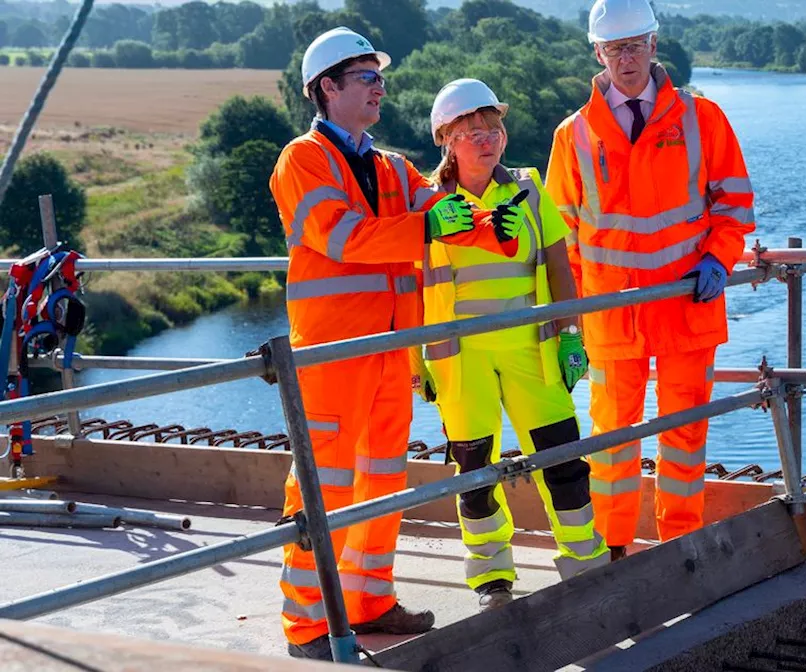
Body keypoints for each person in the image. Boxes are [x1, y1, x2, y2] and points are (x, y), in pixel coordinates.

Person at [268, 27, 516, 660]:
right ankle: (307, 623)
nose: (380, 87)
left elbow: (442, 215)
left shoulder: (392, 167)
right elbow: (339, 236)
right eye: (366, 77)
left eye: (379, 77)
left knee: (381, 481)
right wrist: (431, 223)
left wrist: (495, 227)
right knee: (325, 486)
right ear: (327, 88)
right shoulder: (302, 160)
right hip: (330, 352)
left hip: (389, 349)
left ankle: (370, 603)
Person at [544, 0, 756, 560]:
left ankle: (679, 544)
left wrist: (718, 258)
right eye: (615, 48)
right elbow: (559, 239)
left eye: (635, 44)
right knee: (612, 439)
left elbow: (733, 204)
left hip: (687, 304)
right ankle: (612, 548)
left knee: (685, 434)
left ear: (654, 45)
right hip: (611, 315)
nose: (626, 58)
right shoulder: (575, 134)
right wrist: (574, 316)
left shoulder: (701, 118)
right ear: (597, 53)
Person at [408, 78, 609, 612]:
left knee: (564, 461)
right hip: (461, 360)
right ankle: (492, 576)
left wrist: (571, 334)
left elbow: (560, 266)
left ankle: (585, 563)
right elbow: (412, 286)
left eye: (492, 128)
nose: (485, 139)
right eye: (470, 131)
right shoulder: (429, 205)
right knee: (474, 477)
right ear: (445, 138)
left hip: (532, 351)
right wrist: (415, 360)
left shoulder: (527, 188)